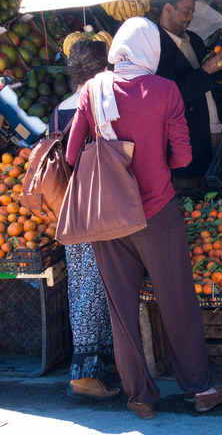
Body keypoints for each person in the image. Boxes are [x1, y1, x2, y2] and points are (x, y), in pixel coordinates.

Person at [65, 17, 222, 420]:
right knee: (177, 303)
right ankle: (201, 389)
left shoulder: (91, 90)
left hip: (109, 218)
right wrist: (157, 163)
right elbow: (184, 157)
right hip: (157, 212)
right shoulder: (164, 90)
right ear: (150, 51)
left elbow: (70, 156)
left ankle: (140, 397)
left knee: (121, 311)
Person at [51, 39, 118, 401]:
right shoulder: (99, 102)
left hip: (69, 207)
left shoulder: (59, 109)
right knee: (96, 286)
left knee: (81, 283)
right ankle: (86, 371)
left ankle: (98, 366)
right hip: (99, 205)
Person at [153, 0, 222, 190]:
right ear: (168, 9)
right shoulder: (156, 48)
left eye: (192, 12)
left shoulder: (193, 39)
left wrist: (219, 61)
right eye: (187, 11)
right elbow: (171, 96)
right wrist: (207, 69)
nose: (191, 18)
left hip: (215, 130)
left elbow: (210, 77)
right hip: (189, 140)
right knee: (195, 199)